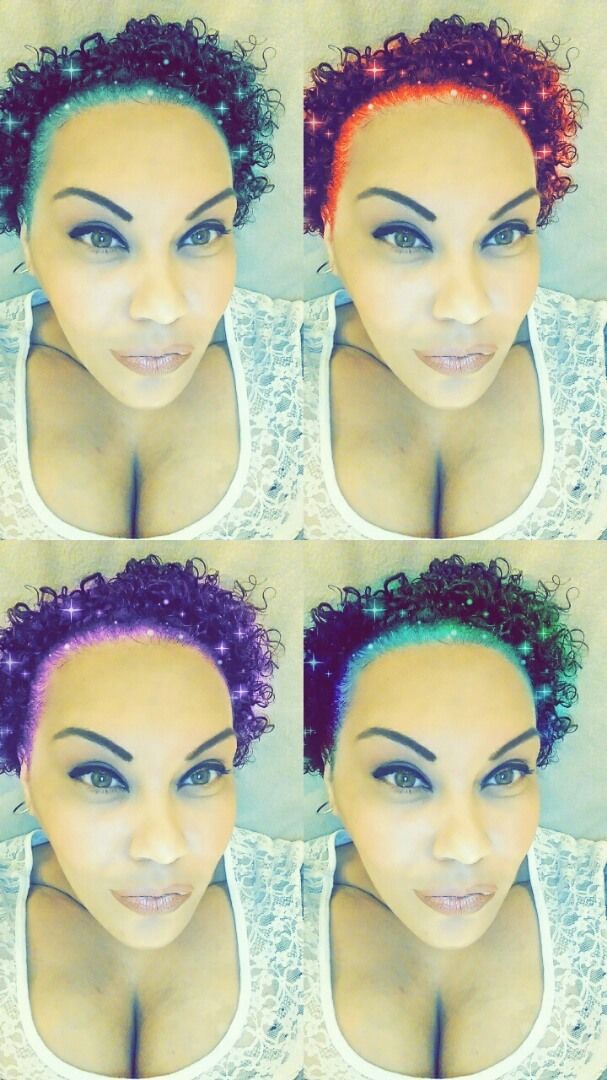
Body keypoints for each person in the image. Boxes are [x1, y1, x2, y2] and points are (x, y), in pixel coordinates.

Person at [304, 14, 607, 539]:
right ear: (330, 234)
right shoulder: (270, 360)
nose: (465, 307)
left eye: (506, 233)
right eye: (404, 238)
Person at [303, 555, 607, 1079]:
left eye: (506, 773)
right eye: (404, 778)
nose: (465, 848)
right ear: (330, 776)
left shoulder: (593, 898)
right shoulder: (270, 900)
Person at [0, 554, 301, 1079]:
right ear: (27, 773)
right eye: (100, 777)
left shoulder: (298, 898)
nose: (162, 847)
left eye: (202, 773)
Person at [0, 14, 301, 539]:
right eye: (100, 237)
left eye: (203, 233)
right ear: (26, 236)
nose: (162, 307)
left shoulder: (299, 358)